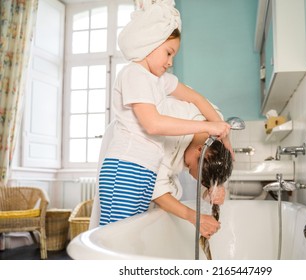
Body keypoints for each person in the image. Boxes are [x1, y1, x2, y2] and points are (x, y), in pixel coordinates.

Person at [98, 0, 231, 226]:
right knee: (116, 235)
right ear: (150, 43)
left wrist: (224, 139)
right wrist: (208, 126)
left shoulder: (157, 81)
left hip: (144, 170)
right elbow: (153, 124)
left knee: (132, 234)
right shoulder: (134, 74)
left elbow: (196, 98)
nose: (170, 63)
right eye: (168, 53)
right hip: (126, 166)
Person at [90, 97, 233, 239]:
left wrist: (212, 188)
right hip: (127, 148)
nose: (187, 170)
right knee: (118, 226)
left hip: (151, 146)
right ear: (199, 149)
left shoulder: (216, 125)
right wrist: (194, 217)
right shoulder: (164, 138)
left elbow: (206, 165)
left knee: (137, 224)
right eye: (190, 167)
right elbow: (156, 191)